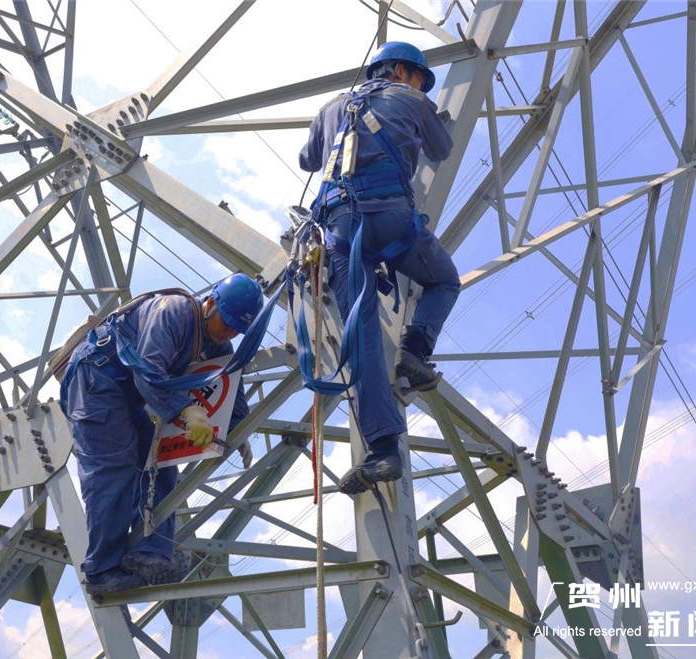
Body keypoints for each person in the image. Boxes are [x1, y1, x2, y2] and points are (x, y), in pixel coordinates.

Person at [298, 41, 461, 495]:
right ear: (402, 72)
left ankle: (383, 450)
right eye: (417, 76)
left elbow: (307, 160)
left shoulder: (332, 105)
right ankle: (415, 351)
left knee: (362, 335)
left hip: (340, 228)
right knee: (444, 279)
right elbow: (441, 149)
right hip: (390, 217)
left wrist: (336, 126)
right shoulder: (413, 99)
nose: (418, 84)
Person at [60, 274, 264, 595]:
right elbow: (147, 369)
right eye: (227, 322)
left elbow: (228, 385)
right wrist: (186, 411)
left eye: (238, 328)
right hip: (96, 379)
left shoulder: (219, 343)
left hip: (127, 396)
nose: (230, 331)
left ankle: (150, 552)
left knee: (162, 467)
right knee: (115, 468)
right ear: (211, 303)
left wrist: (240, 430)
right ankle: (101, 571)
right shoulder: (174, 311)